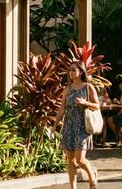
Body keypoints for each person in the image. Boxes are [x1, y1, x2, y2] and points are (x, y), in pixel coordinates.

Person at [53, 61, 99, 189]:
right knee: (70, 160)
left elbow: (97, 106)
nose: (71, 72)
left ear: (81, 71)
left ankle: (92, 176)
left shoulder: (88, 87)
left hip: (83, 126)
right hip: (69, 126)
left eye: (74, 70)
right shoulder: (67, 88)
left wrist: (85, 103)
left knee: (80, 160)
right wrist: (55, 123)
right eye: (70, 70)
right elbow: (62, 107)